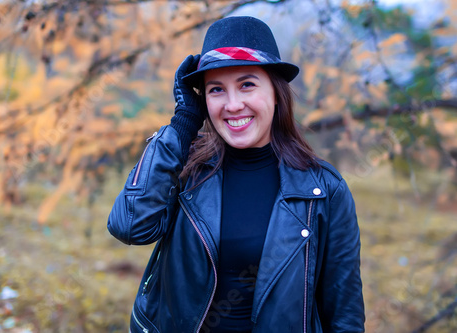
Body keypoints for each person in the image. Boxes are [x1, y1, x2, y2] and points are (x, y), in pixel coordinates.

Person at [108, 16, 365, 333]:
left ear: (275, 91)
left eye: (247, 84)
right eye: (217, 89)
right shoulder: (185, 168)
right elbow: (130, 226)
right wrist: (183, 123)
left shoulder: (324, 189)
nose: (232, 105)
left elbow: (344, 313)